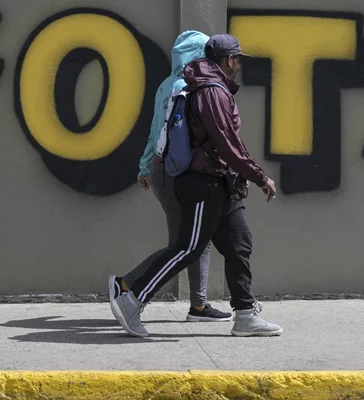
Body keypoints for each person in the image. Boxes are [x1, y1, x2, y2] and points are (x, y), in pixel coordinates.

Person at [109, 33, 283, 338]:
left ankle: (244, 314)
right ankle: (132, 298)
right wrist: (258, 176)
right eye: (238, 59)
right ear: (229, 60)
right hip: (204, 182)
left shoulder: (208, 87)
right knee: (187, 248)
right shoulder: (211, 92)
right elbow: (226, 143)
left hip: (223, 182)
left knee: (239, 243)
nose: (239, 65)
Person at [108, 31, 231, 323]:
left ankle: (198, 305)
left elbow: (155, 132)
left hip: (162, 171)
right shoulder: (187, 87)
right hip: (177, 173)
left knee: (191, 241)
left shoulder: (167, 84)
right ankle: (126, 285)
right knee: (187, 243)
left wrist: (143, 166)